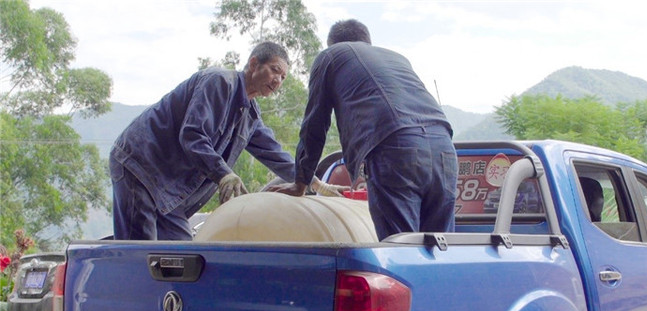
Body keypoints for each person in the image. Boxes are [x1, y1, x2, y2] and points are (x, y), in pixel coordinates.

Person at [110, 41, 338, 240]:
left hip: (171, 190)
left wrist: (315, 183)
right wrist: (224, 174)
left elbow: (274, 153)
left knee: (180, 256)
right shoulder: (219, 82)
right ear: (254, 64)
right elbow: (192, 136)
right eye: (274, 70)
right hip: (141, 166)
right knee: (139, 252)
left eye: (283, 77)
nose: (278, 80)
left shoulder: (250, 116)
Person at [269, 19, 457, 240]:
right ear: (367, 41)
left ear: (333, 43)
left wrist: (301, 182)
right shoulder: (397, 58)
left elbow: (315, 124)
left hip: (395, 147)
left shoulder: (330, 56)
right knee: (439, 247)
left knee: (402, 249)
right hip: (445, 148)